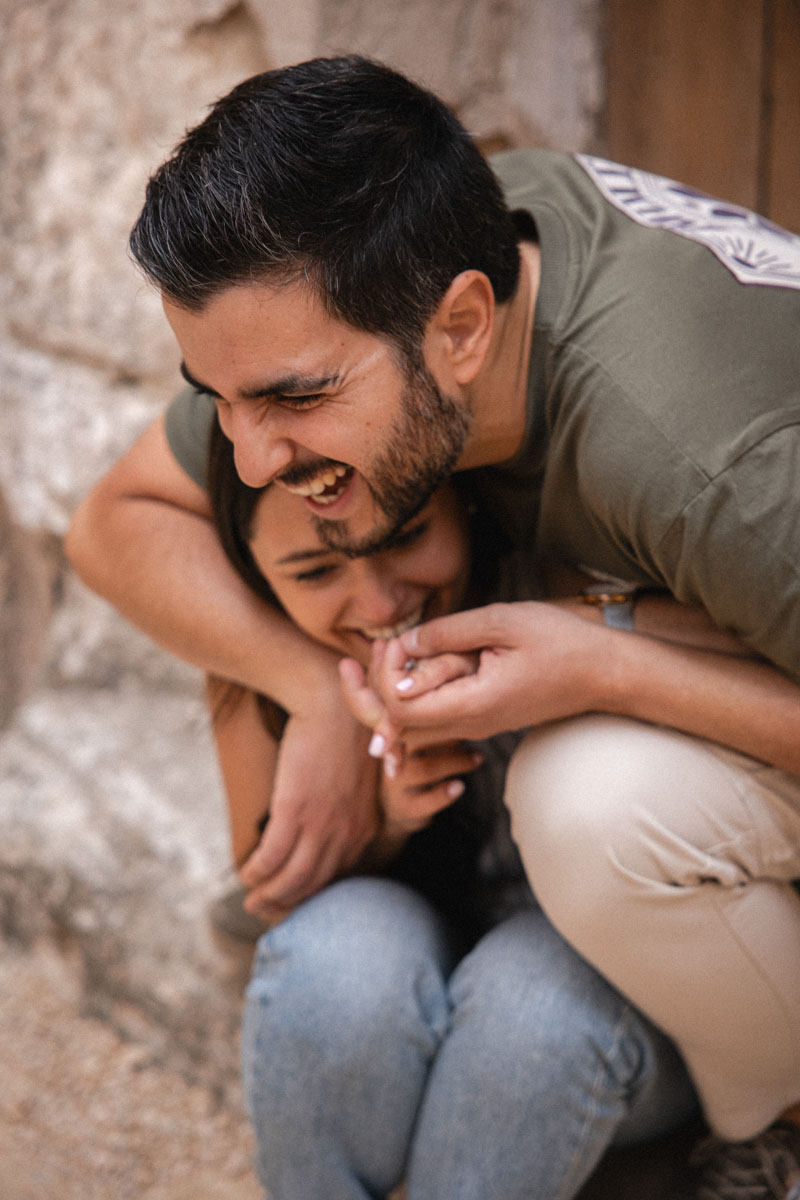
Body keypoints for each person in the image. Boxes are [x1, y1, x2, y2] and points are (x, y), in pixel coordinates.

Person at [65, 56, 800, 1198]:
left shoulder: (698, 464)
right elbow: (115, 520)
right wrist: (307, 684)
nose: (252, 459)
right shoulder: (397, 268)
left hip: (695, 877)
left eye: (294, 401)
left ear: (462, 326)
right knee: (336, 972)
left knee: (581, 832)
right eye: (221, 401)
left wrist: (605, 661)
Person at [205, 416, 715, 1198]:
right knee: (332, 960)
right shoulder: (269, 668)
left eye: (406, 537)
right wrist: (387, 819)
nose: (380, 602)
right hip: (432, 966)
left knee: (533, 999)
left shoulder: (556, 592)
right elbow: (279, 902)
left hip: (616, 1007)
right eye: (313, 572)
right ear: (258, 576)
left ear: (463, 504)